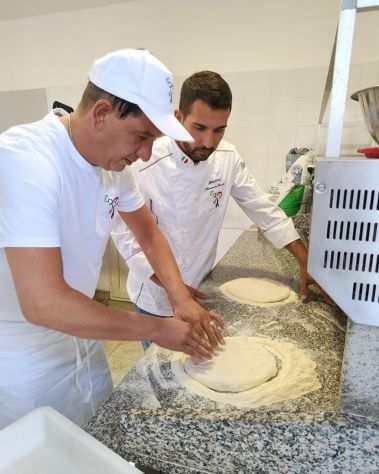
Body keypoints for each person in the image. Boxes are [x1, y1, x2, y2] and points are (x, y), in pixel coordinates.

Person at [0, 51, 223, 430]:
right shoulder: (24, 160)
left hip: (84, 335)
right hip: (24, 357)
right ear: (102, 113)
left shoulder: (112, 166)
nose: (145, 154)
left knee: (97, 438)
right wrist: (155, 328)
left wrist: (180, 298)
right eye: (142, 137)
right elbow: (43, 303)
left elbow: (148, 233)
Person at [112, 70, 318, 349]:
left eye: (219, 130)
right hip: (154, 298)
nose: (209, 142)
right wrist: (175, 291)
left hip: (201, 287)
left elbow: (262, 208)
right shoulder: (142, 163)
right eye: (198, 128)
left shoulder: (227, 158)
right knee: (159, 377)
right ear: (178, 118)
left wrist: (304, 259)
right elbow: (128, 240)